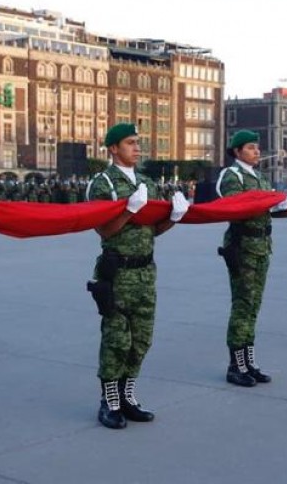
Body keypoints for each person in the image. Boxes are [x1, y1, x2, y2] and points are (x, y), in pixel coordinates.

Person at [85, 123, 187, 429]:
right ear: (113, 148)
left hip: (145, 271)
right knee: (117, 339)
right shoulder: (102, 183)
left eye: (137, 143)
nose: (137, 148)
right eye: (130, 143)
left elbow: (153, 230)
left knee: (141, 339)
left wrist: (174, 217)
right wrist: (129, 211)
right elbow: (103, 229)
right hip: (117, 272)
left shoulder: (146, 182)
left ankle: (128, 395)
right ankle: (110, 402)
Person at [217, 130, 287, 387]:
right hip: (242, 245)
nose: (257, 151)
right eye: (250, 147)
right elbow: (235, 206)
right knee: (242, 304)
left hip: (262, 245)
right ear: (237, 152)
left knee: (253, 305)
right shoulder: (231, 176)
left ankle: (249, 361)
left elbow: (268, 211)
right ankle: (236, 364)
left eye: (257, 147)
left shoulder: (259, 176)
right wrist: (269, 202)